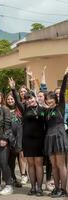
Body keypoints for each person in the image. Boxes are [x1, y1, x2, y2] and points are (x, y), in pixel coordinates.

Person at [9, 78, 45, 196]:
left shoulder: (43, 110)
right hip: (27, 141)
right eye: (27, 99)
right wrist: (13, 89)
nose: (29, 101)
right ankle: (33, 187)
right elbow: (18, 101)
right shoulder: (24, 109)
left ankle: (39, 188)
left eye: (30, 98)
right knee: (30, 164)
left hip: (39, 141)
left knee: (38, 164)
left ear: (35, 98)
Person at [44, 68, 68, 197]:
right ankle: (57, 188)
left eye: (51, 98)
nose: (49, 101)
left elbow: (63, 93)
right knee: (53, 166)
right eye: (47, 99)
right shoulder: (47, 111)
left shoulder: (60, 107)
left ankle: (64, 190)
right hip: (49, 138)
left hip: (59, 136)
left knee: (61, 164)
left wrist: (65, 77)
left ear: (55, 99)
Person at [5, 93, 23, 188]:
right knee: (10, 161)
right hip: (8, 139)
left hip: (19, 138)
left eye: (12, 99)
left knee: (19, 159)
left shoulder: (19, 110)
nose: (10, 101)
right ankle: (12, 178)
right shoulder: (4, 110)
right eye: (8, 99)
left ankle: (22, 176)